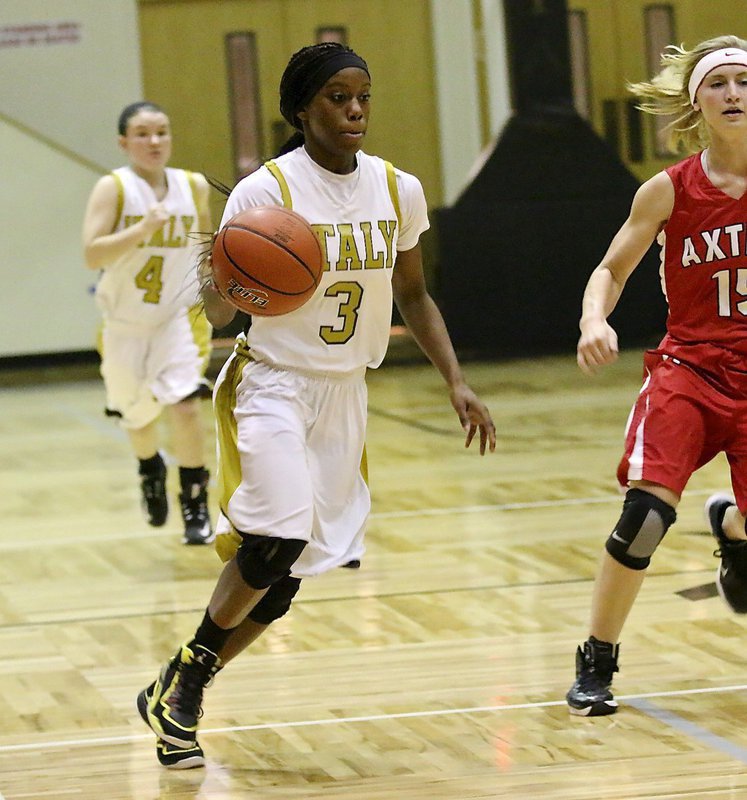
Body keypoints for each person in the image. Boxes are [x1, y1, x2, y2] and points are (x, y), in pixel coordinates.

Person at [136, 41, 496, 768]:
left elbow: (414, 294)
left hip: (343, 392)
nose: (355, 109)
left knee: (280, 585)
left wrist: (454, 380)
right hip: (272, 381)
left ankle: (183, 675)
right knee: (272, 543)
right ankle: (187, 688)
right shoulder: (265, 192)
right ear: (301, 109)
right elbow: (220, 310)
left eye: (363, 96)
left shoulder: (397, 188)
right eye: (337, 97)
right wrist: (229, 280)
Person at [566, 35, 747, 717]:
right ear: (695, 101)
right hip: (690, 370)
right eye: (717, 83)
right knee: (644, 517)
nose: (731, 94)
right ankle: (597, 656)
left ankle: (732, 529)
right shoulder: (669, 190)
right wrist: (593, 319)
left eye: (742, 81)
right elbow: (610, 269)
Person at [82, 101, 215, 546]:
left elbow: (207, 251)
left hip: (176, 319)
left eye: (161, 132)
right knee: (136, 417)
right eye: (142, 134)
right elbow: (92, 255)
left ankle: (195, 502)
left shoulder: (192, 186)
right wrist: (141, 230)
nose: (153, 141)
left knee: (186, 405)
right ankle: (150, 468)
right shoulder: (114, 188)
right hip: (123, 323)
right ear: (124, 142)